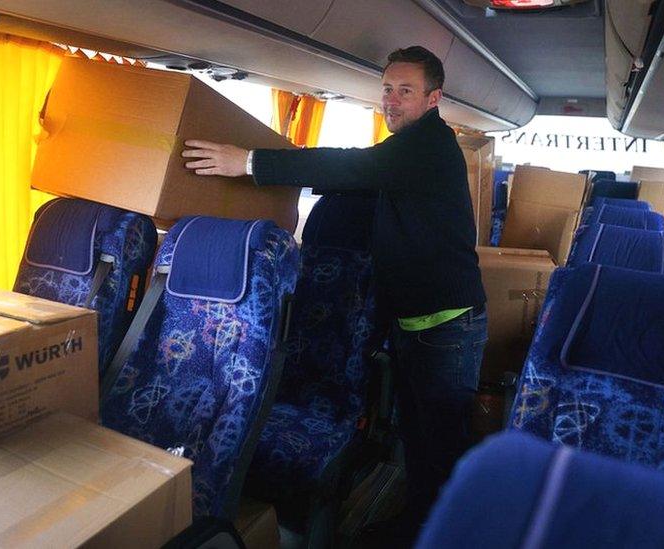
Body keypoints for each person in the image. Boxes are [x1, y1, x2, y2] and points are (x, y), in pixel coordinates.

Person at [183, 46, 487, 544]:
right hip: (414, 321)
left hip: (447, 325)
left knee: (441, 441)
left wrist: (248, 162)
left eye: (405, 91)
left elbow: (351, 167)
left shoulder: (428, 144)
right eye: (387, 89)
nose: (391, 101)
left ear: (434, 98)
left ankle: (445, 534)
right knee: (417, 437)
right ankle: (417, 523)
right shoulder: (410, 148)